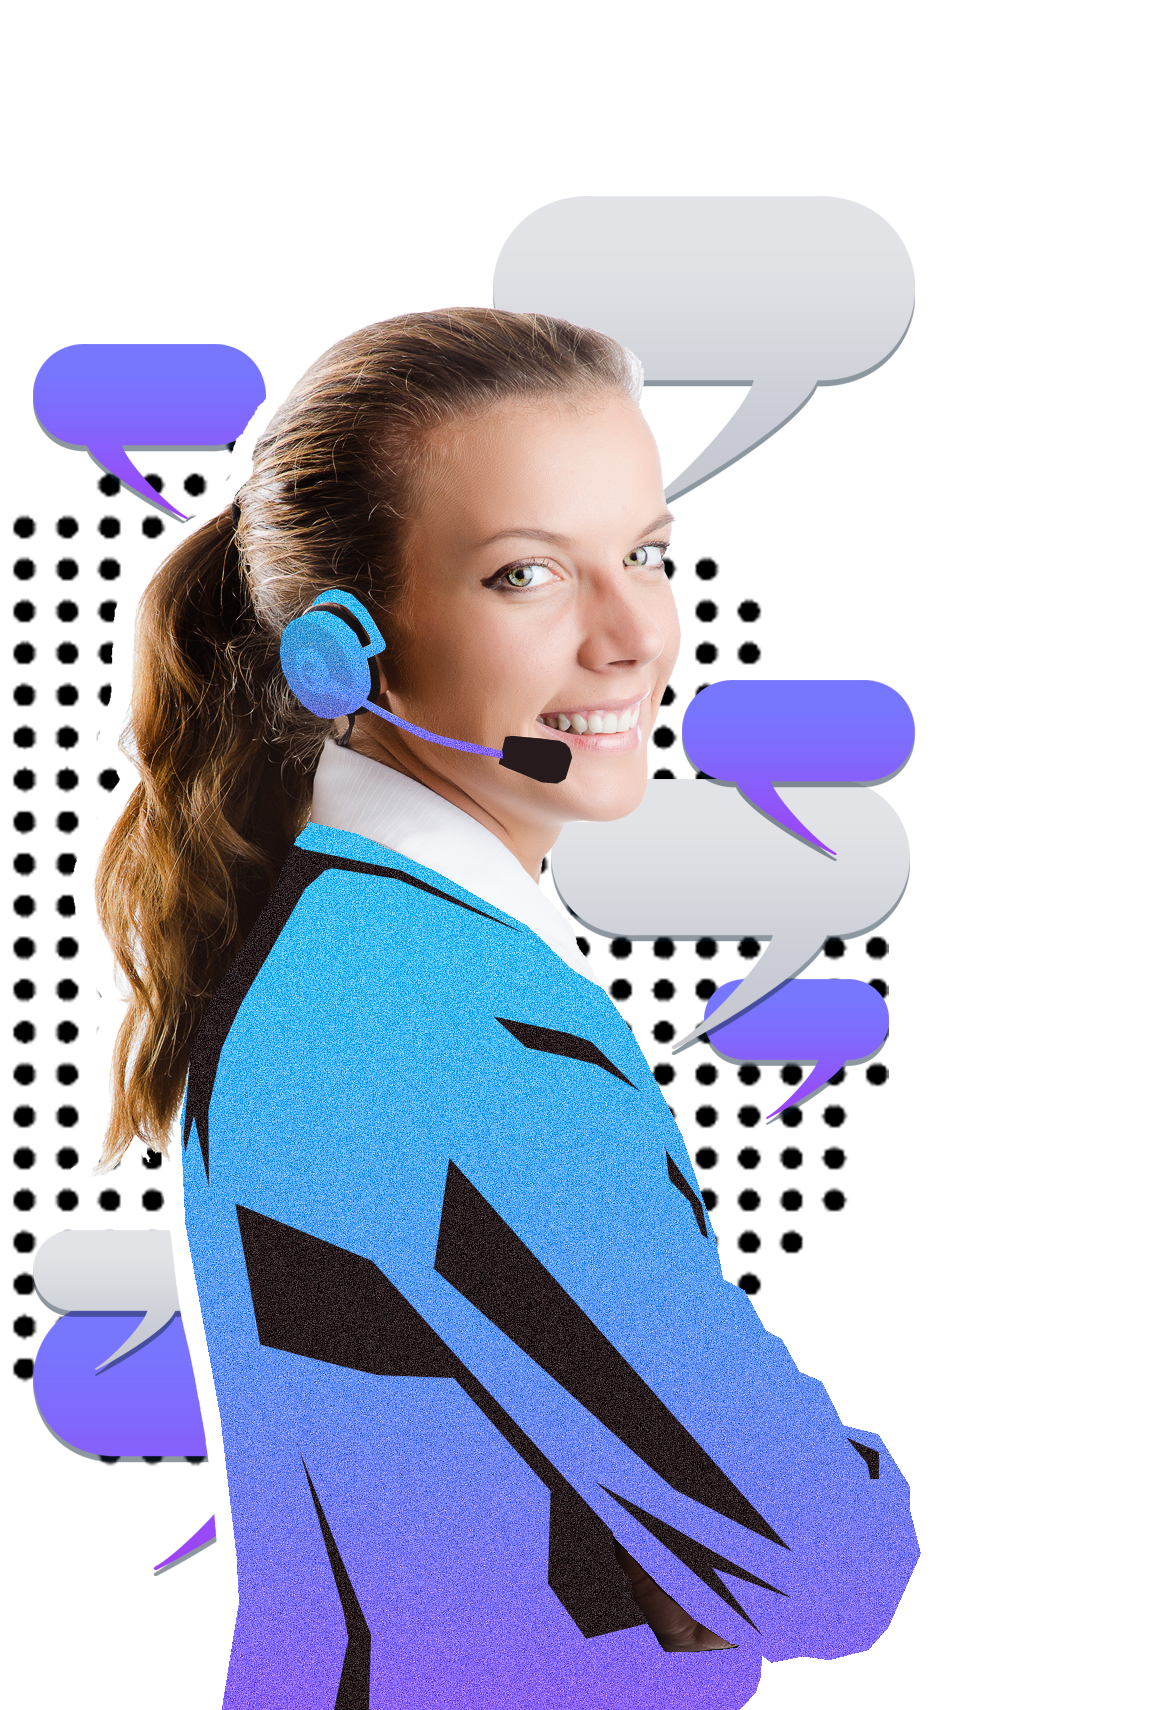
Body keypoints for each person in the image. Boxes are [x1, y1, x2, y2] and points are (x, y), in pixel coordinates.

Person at [96, 309, 918, 1710]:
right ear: (341, 654)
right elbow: (827, 1563)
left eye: (647, 553)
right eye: (525, 573)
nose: (633, 637)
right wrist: (809, 1501)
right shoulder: (435, 1025)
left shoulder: (358, 941)